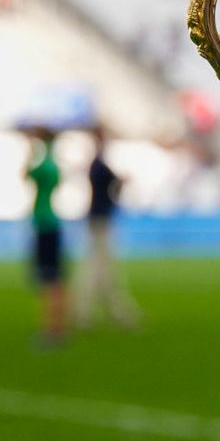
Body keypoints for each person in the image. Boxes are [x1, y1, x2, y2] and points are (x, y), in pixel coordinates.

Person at [74, 127, 140, 330]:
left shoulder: (97, 163)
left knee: (102, 268)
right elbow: (113, 186)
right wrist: (122, 180)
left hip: (99, 219)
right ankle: (97, 312)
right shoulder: (99, 164)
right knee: (99, 268)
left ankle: (107, 312)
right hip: (101, 220)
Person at [25, 128, 68, 345]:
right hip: (52, 222)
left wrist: (31, 152)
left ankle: (52, 330)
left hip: (44, 224)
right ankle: (58, 327)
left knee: (49, 280)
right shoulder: (54, 165)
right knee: (57, 279)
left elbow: (26, 175)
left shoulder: (43, 167)